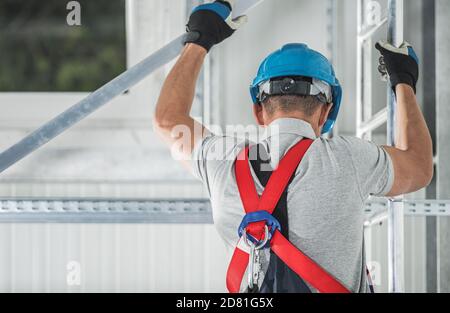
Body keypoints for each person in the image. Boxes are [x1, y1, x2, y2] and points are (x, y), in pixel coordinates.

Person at [153, 0, 433, 293]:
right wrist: (403, 80)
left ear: (259, 111)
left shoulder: (223, 162)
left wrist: (200, 39)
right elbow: (419, 167)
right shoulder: (349, 159)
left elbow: (167, 119)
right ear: (326, 113)